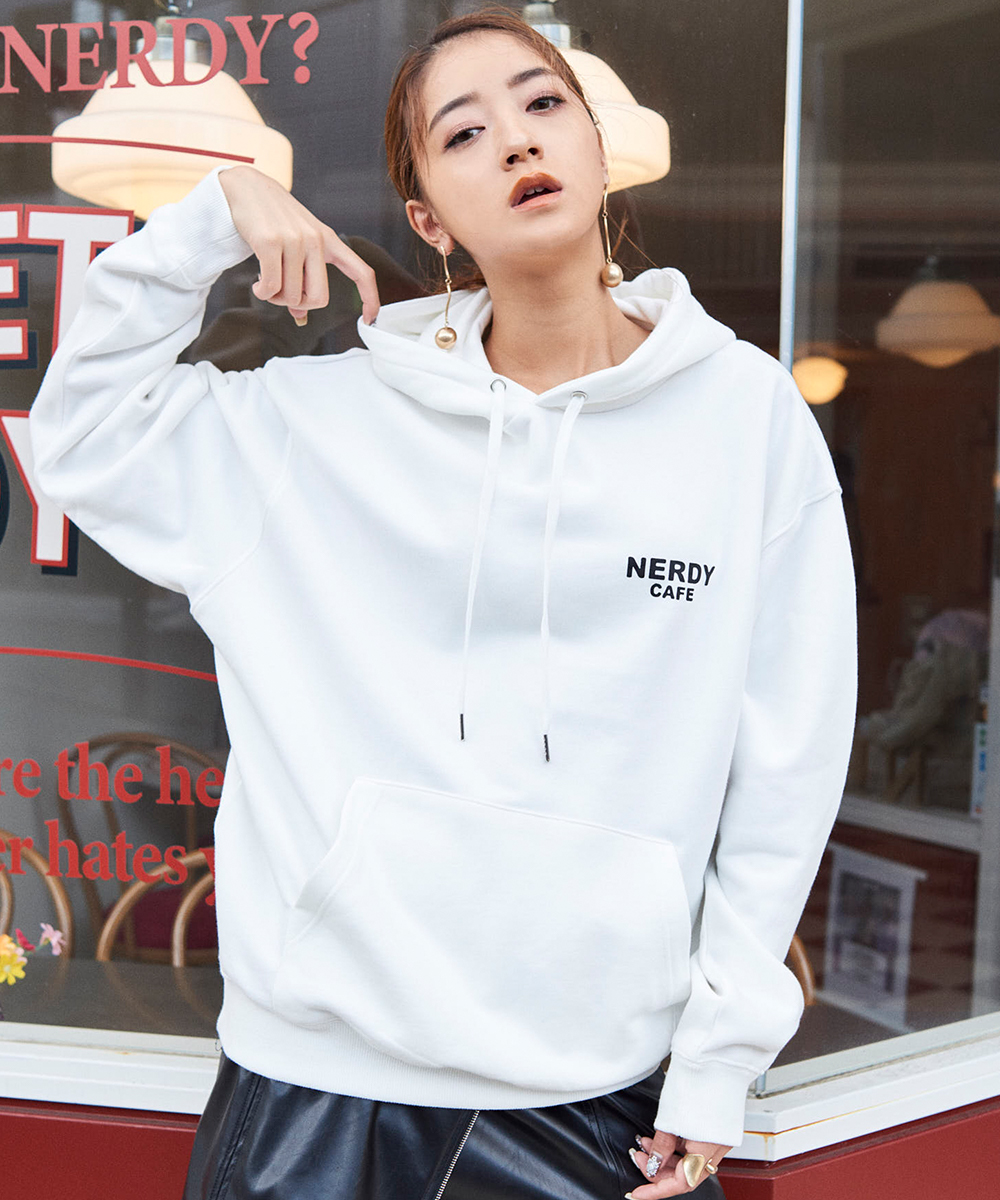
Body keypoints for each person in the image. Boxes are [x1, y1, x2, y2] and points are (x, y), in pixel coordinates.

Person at [28, 7, 857, 1199]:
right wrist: (212, 217)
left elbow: (787, 758)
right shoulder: (316, 426)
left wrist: (720, 1056)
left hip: (596, 1091)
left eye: (543, 105)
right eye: (463, 133)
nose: (516, 142)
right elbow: (81, 436)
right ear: (428, 218)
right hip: (316, 1088)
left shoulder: (745, 419)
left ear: (595, 147)